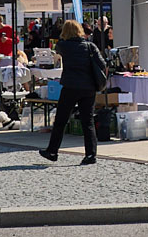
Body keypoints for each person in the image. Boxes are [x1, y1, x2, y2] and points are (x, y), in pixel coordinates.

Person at [39, 18, 106, 166]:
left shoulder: (63, 45)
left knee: (61, 120)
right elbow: (102, 64)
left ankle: (52, 151)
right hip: (88, 87)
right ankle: (91, 154)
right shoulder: (90, 46)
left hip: (70, 86)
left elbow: (57, 49)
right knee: (88, 122)